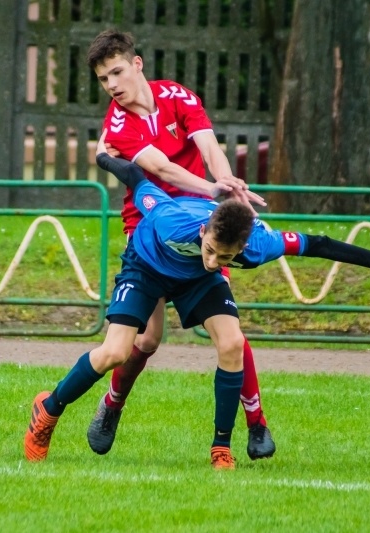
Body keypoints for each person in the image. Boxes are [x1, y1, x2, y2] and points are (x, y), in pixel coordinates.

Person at [23, 136, 370, 470]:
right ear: (205, 230)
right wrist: (102, 157)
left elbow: (320, 245)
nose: (216, 259)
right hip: (146, 267)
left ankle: (221, 448)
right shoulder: (170, 218)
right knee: (116, 351)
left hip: (197, 283)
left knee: (231, 344)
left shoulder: (259, 244)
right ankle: (49, 409)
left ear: (242, 247)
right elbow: (136, 177)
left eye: (226, 258)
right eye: (211, 250)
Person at [85, 29, 275, 461]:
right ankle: (112, 404)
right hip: (149, 225)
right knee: (148, 339)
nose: (112, 85)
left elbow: (209, 145)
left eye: (116, 72)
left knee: (230, 333)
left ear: (137, 65)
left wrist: (227, 187)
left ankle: (256, 422)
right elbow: (163, 170)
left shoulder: (178, 97)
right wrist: (214, 189)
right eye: (103, 79)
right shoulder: (116, 124)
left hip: (203, 226)